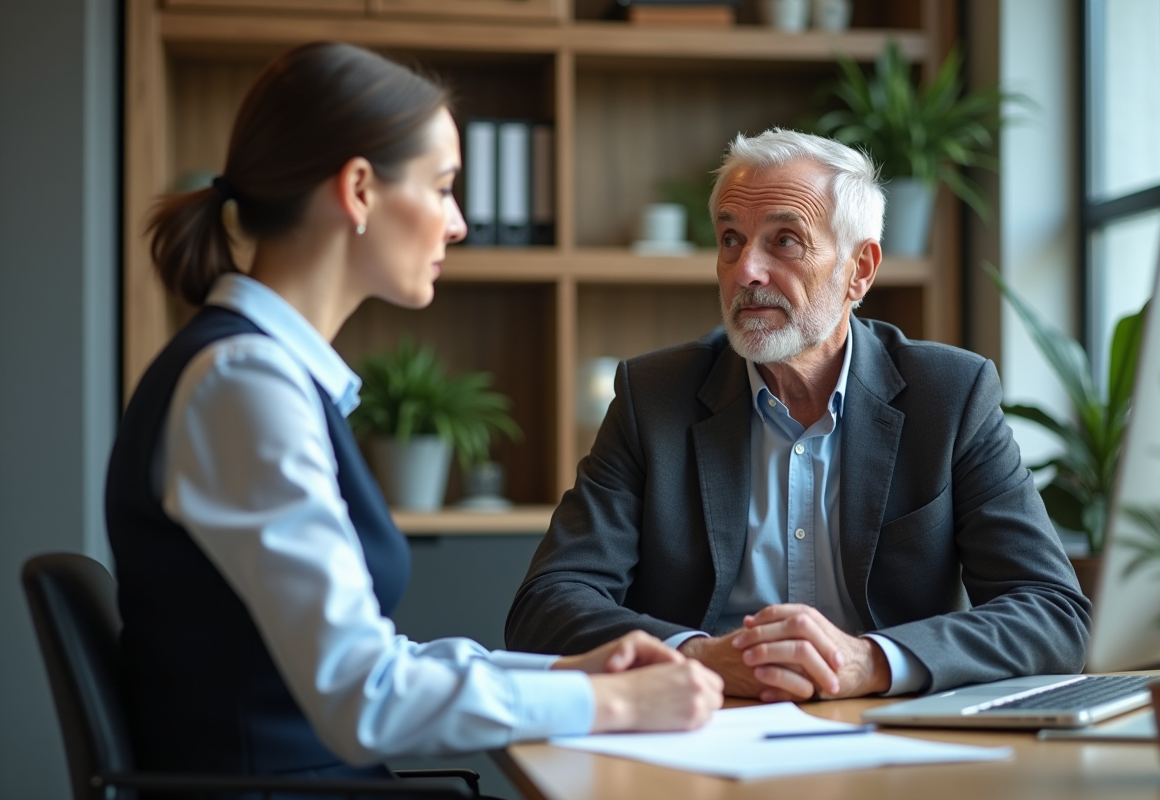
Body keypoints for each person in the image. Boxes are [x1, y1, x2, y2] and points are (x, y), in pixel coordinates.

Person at [105, 41, 723, 786]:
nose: (459, 223)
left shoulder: (255, 374)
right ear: (359, 190)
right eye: (441, 188)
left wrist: (570, 671)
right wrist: (611, 704)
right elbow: (365, 699)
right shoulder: (245, 385)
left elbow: (373, 662)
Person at [505, 128, 1091, 702]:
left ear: (859, 269)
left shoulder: (949, 395)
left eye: (784, 240)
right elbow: (548, 603)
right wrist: (698, 656)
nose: (745, 271)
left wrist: (870, 661)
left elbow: (1050, 609)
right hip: (703, 726)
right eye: (731, 239)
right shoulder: (654, 397)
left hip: (888, 730)